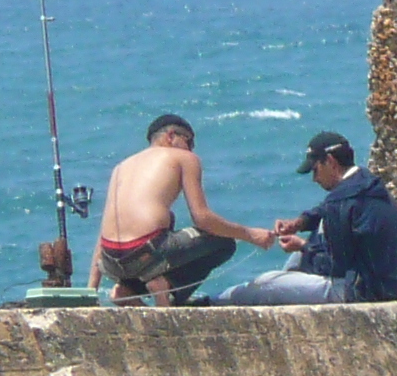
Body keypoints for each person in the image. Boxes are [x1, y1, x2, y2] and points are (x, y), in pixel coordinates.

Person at [221, 131, 397, 306]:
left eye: (315, 170)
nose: (314, 178)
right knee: (296, 261)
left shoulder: (340, 202)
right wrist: (299, 223)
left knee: (267, 284)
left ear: (330, 162)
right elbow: (324, 210)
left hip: (364, 292)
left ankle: (217, 301)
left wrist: (304, 246)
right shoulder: (367, 185)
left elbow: (334, 268)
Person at [87, 113, 275, 303]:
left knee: (168, 219)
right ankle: (167, 287)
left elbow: (104, 231)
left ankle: (126, 290)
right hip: (146, 252)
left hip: (111, 261)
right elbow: (202, 218)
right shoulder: (184, 158)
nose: (191, 149)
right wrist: (250, 234)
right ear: (171, 136)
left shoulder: (121, 167)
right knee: (223, 242)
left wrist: (90, 291)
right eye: (189, 142)